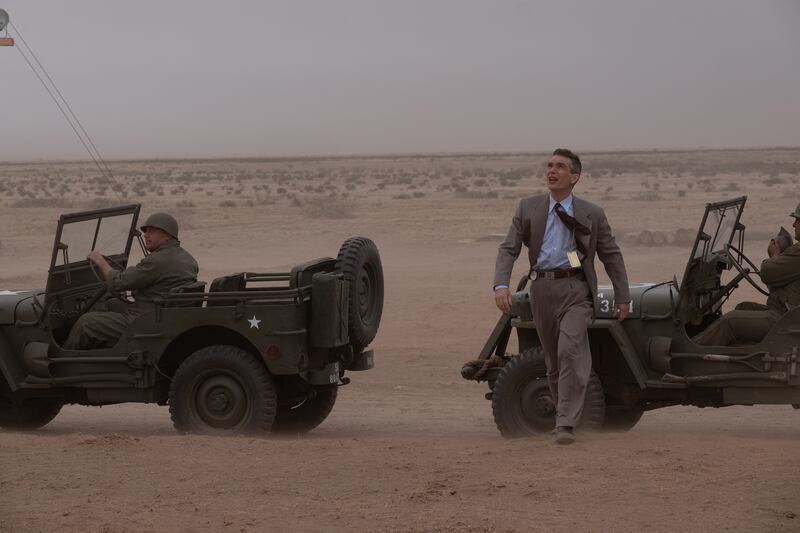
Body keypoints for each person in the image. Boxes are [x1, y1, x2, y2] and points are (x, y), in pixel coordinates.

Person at [493, 148, 630, 445]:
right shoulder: (527, 208)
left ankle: (565, 423)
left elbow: (611, 255)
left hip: (576, 289)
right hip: (541, 289)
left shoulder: (592, 213)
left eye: (560, 167)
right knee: (554, 363)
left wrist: (623, 296)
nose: (552, 171)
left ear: (574, 177)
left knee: (571, 350)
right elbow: (508, 248)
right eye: (550, 165)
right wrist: (501, 285)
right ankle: (564, 415)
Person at [63, 212, 199, 350]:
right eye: (146, 231)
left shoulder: (158, 260)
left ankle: (64, 361)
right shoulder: (187, 258)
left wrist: (100, 261)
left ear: (167, 235)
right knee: (109, 304)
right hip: (160, 314)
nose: (146, 235)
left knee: (86, 323)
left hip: (144, 320)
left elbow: (119, 282)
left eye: (152, 231)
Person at [693, 210, 800, 346]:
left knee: (729, 321)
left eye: (798, 220)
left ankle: (687, 353)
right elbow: (775, 281)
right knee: (742, 307)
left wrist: (775, 255)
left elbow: (768, 273)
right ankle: (735, 357)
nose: (793, 224)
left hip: (784, 319)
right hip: (785, 313)